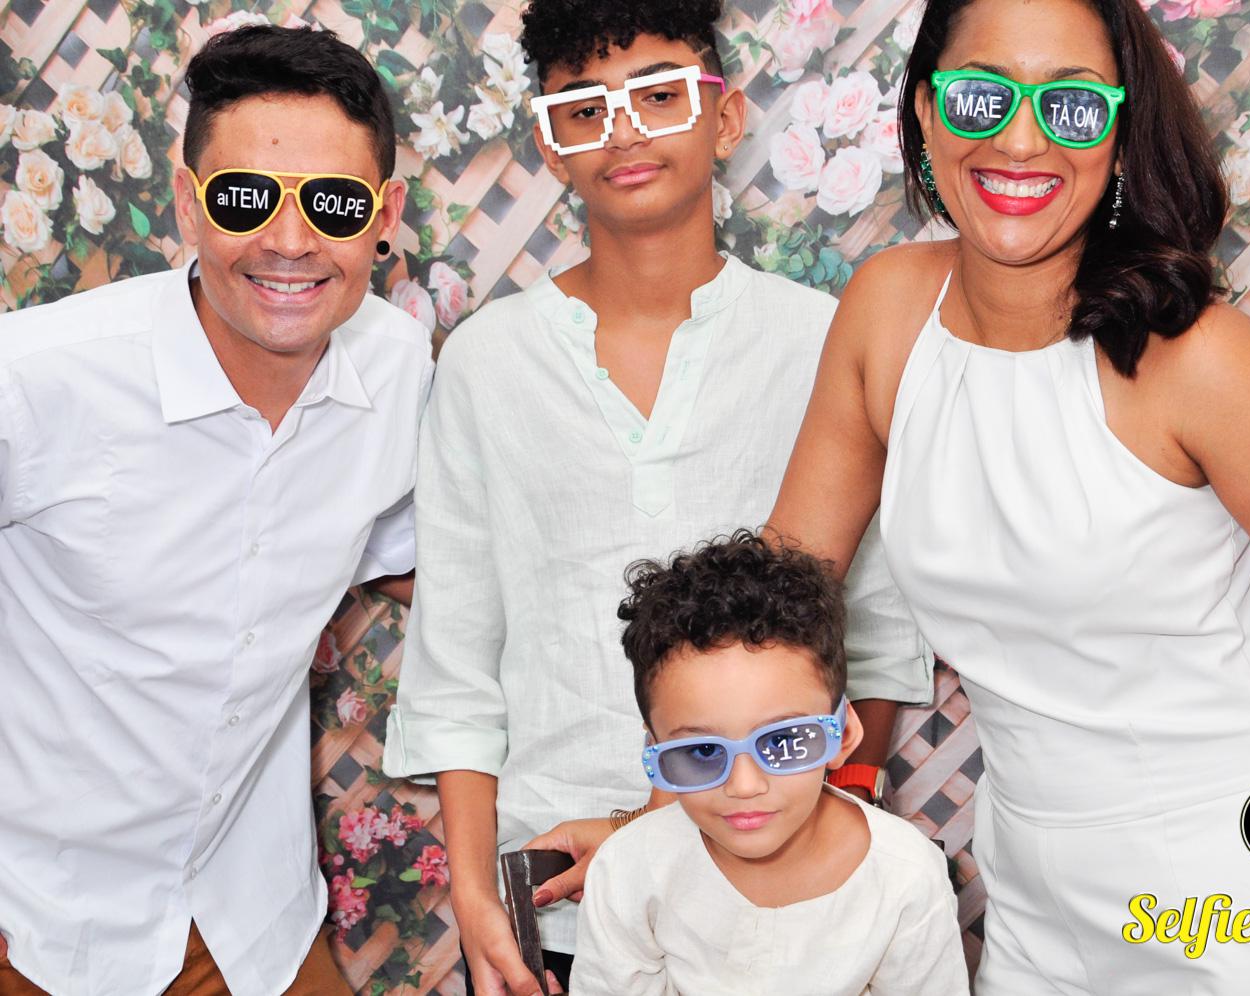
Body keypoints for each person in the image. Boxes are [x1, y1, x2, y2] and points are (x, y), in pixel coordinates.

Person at [765, 0, 1250, 990]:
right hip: (1034, 898)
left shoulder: (1203, 362)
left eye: (1072, 105)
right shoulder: (887, 311)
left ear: (1119, 134)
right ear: (928, 110)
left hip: (1241, 893)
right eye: (984, 95)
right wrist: (657, 819)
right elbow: (776, 600)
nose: (1021, 139)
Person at [381, 2, 932, 993]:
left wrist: (813, 811)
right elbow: (456, 664)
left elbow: (879, 636)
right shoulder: (485, 364)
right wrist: (474, 894)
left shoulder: (821, 341)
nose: (624, 131)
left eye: (660, 95)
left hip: (783, 908)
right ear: (551, 144)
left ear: (726, 117)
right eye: (584, 109)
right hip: (553, 896)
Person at [0, 25, 427, 995]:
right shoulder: (35, 379)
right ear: (189, 206)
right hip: (41, 924)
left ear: (385, 214)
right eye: (245, 199)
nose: (289, 241)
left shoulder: (398, 367)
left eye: (332, 203)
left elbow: (418, 560)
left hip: (252, 916)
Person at [570, 531, 967, 995]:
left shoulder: (906, 876)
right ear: (653, 750)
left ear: (844, 734)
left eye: (782, 741)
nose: (744, 785)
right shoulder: (628, 870)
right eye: (702, 752)